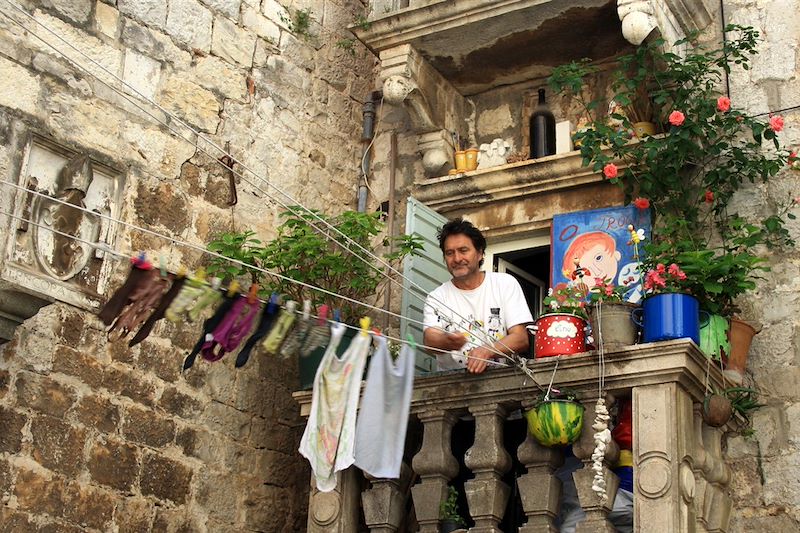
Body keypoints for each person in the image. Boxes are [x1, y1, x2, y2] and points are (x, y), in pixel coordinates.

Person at [423, 218, 533, 374]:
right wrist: (447, 341)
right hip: (452, 384)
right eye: (449, 253)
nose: (457, 259)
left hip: (504, 380)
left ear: (480, 253)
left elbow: (521, 339)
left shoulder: (505, 284)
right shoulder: (437, 297)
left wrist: (487, 351)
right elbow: (429, 341)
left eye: (463, 250)